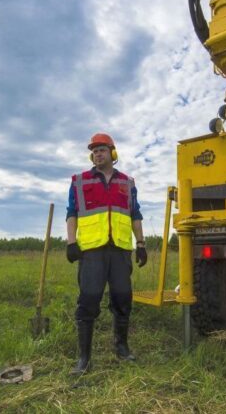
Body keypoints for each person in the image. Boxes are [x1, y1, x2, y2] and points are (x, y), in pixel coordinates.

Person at [65, 133, 147, 376]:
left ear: (112, 152)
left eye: (102, 149)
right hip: (91, 251)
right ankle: (84, 358)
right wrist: (71, 242)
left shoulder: (127, 182)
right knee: (89, 299)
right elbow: (72, 213)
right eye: (94, 150)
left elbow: (135, 215)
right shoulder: (80, 181)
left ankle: (121, 348)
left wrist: (141, 244)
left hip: (121, 250)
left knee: (123, 298)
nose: (98, 154)